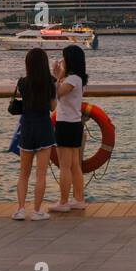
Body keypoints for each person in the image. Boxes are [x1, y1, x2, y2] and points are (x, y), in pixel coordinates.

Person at [9, 48, 56, 221]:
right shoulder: (50, 82)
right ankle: (37, 211)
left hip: (27, 128)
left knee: (23, 173)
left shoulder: (22, 82)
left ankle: (20, 209)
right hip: (44, 127)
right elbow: (52, 108)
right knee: (41, 174)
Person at [51, 44, 88, 214]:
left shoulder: (72, 79)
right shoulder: (78, 78)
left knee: (65, 166)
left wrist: (56, 76)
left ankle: (63, 201)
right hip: (74, 124)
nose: (62, 59)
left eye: (64, 56)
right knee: (74, 165)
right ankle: (78, 199)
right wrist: (60, 75)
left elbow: (57, 93)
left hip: (65, 124)